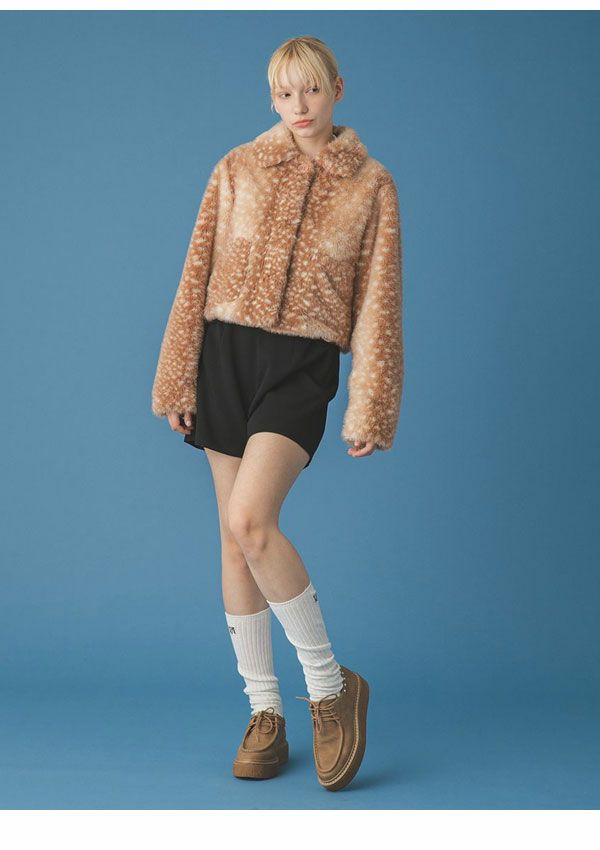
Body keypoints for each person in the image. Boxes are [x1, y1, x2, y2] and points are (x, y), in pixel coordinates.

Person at [151, 35, 403, 791]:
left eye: (312, 90)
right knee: (234, 545)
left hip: (302, 363)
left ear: (338, 88)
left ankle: (329, 688)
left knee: (252, 520)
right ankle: (265, 712)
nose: (300, 106)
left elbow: (379, 300)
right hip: (223, 356)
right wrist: (177, 378)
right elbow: (195, 272)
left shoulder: (372, 186)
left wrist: (371, 404)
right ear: (271, 97)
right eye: (285, 93)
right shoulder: (236, 167)